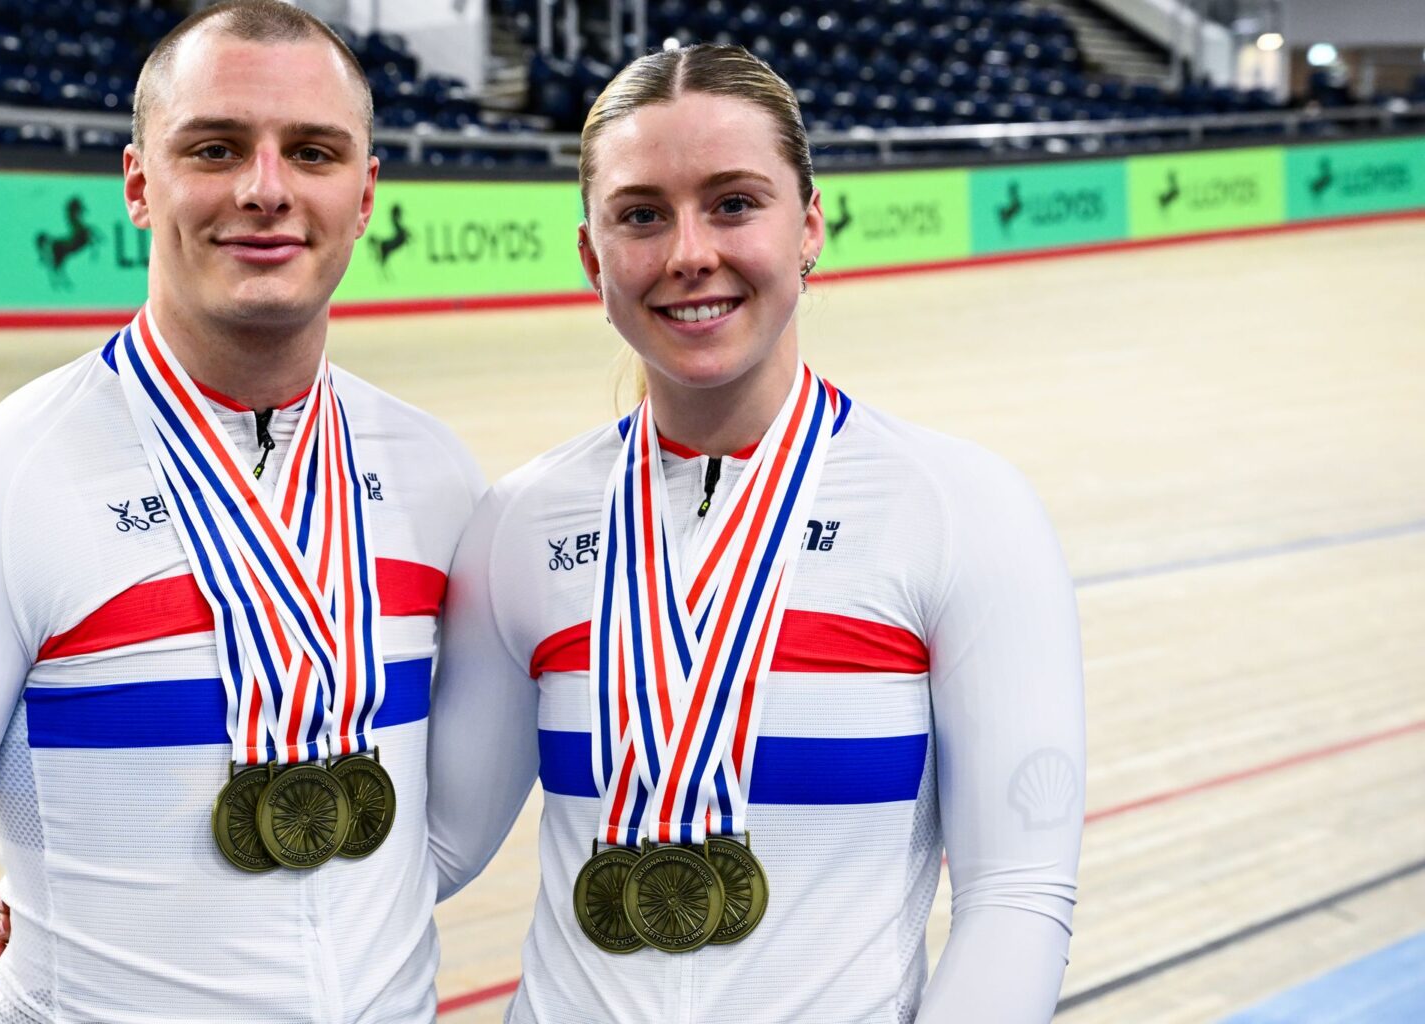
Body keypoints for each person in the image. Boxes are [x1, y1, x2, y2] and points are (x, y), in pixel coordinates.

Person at [0, 3, 484, 1022]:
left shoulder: (438, 477)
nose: (266, 190)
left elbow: (426, 842)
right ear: (138, 183)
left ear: (365, 192)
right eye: (214, 148)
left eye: (312, 152)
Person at [423, 44, 1086, 1022]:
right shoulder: (522, 521)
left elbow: (1015, 894)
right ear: (590, 255)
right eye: (642, 214)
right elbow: (435, 847)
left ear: (810, 225)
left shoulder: (962, 510)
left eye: (733, 203)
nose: (689, 251)